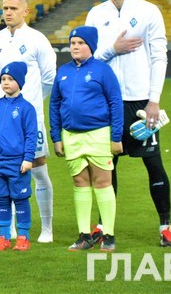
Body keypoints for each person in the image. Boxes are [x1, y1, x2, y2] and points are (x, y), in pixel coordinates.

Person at [85, 0, 171, 247]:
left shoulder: (148, 11)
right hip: (105, 102)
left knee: (153, 163)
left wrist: (154, 100)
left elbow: (159, 57)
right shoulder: (96, 14)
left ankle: (165, 225)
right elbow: (87, 59)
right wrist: (112, 49)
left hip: (140, 103)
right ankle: (104, 226)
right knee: (106, 166)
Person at [0, 0, 56, 243]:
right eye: (5, 8)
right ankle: (8, 229)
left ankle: (46, 228)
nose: (8, 12)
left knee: (38, 169)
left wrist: (29, 104)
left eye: (13, 8)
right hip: (2, 122)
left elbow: (49, 78)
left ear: (26, 12)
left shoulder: (37, 39)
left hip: (29, 118)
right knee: (4, 171)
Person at [50, 27, 123, 252]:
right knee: (80, 183)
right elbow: (54, 105)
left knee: (102, 183)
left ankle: (108, 235)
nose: (75, 46)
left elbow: (115, 102)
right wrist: (56, 137)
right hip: (71, 136)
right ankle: (84, 236)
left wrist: (116, 136)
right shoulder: (63, 72)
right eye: (73, 42)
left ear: (91, 46)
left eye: (80, 43)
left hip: (98, 134)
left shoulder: (103, 71)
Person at [0, 61, 37, 252]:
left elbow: (31, 135)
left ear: (19, 82)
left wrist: (28, 158)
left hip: (17, 163)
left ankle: (23, 237)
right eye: (3, 79)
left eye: (10, 79)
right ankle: (4, 236)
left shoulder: (26, 108)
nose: (5, 82)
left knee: (20, 199)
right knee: (2, 199)